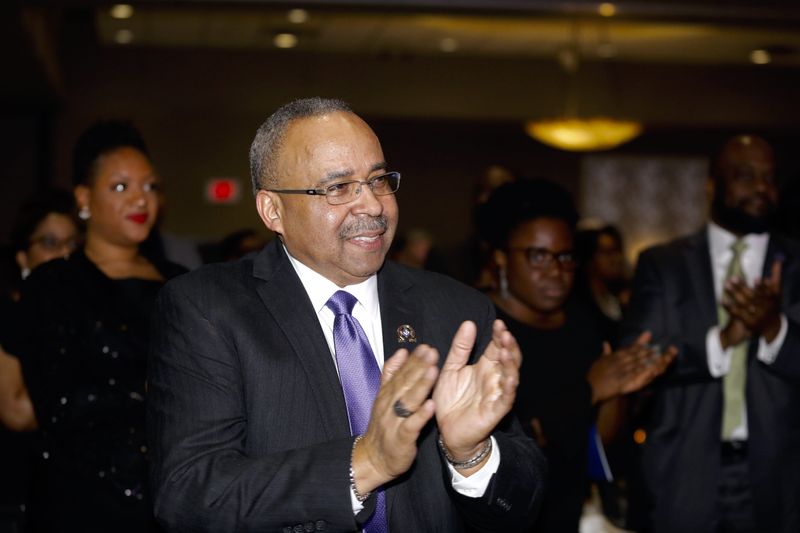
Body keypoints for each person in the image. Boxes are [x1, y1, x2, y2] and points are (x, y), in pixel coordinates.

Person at [147, 97, 546, 532]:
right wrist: (367, 463)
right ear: (272, 210)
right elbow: (190, 493)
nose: (373, 206)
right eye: (338, 188)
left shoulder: (457, 312)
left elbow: (525, 499)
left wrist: (471, 454)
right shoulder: (208, 309)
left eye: (378, 180)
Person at [6, 120, 184, 532]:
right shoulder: (54, 284)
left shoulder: (181, 284)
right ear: (84, 200)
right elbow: (55, 403)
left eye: (150, 186)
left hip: (168, 499)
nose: (141, 199)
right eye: (121, 187)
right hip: (78, 502)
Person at [622, 134, 800, 533]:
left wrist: (773, 328)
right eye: (745, 176)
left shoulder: (796, 263)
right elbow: (636, 359)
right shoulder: (663, 263)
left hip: (781, 478)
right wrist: (724, 339)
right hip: (683, 472)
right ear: (712, 184)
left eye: (769, 178)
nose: (761, 188)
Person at [477, 179, 675, 532]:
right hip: (501, 512)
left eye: (565, 256)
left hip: (569, 507)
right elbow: (511, 440)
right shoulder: (478, 327)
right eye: (538, 256)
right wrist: (591, 390)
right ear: (501, 258)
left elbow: (599, 442)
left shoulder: (582, 324)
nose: (556, 270)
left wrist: (619, 389)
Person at [0, 189, 79, 531]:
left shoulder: (80, 313)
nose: (63, 255)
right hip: (15, 490)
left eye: (72, 245)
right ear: (22, 257)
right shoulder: (9, 312)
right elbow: (15, 410)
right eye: (50, 243)